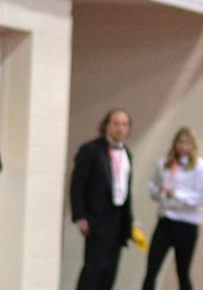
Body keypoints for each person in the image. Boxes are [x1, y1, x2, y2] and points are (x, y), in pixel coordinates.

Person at [70, 108, 134, 290]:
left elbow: (126, 189)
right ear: (106, 126)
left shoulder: (127, 154)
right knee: (93, 270)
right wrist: (80, 216)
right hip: (97, 218)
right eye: (116, 124)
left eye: (124, 124)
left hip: (118, 218)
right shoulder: (91, 150)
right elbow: (78, 185)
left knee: (109, 272)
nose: (120, 129)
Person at [142, 128, 203, 290]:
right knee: (152, 267)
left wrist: (178, 194)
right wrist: (160, 191)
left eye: (186, 143)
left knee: (182, 270)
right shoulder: (164, 164)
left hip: (187, 223)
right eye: (179, 142)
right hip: (166, 220)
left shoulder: (200, 167)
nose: (182, 147)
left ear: (192, 146)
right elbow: (153, 188)